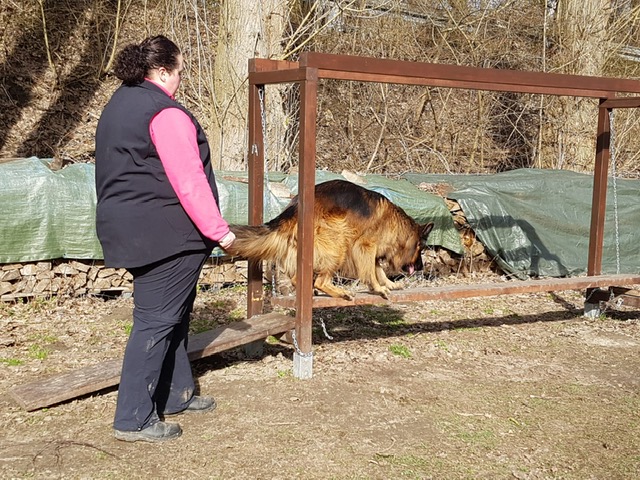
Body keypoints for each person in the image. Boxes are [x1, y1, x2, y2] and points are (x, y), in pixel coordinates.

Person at [94, 35, 236, 443]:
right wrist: (219, 231)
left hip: (133, 229)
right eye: (177, 72)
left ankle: (177, 392)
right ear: (160, 71)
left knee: (174, 315)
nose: (180, 81)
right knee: (155, 322)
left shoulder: (120, 103)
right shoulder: (164, 112)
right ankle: (133, 418)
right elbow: (188, 180)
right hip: (167, 233)